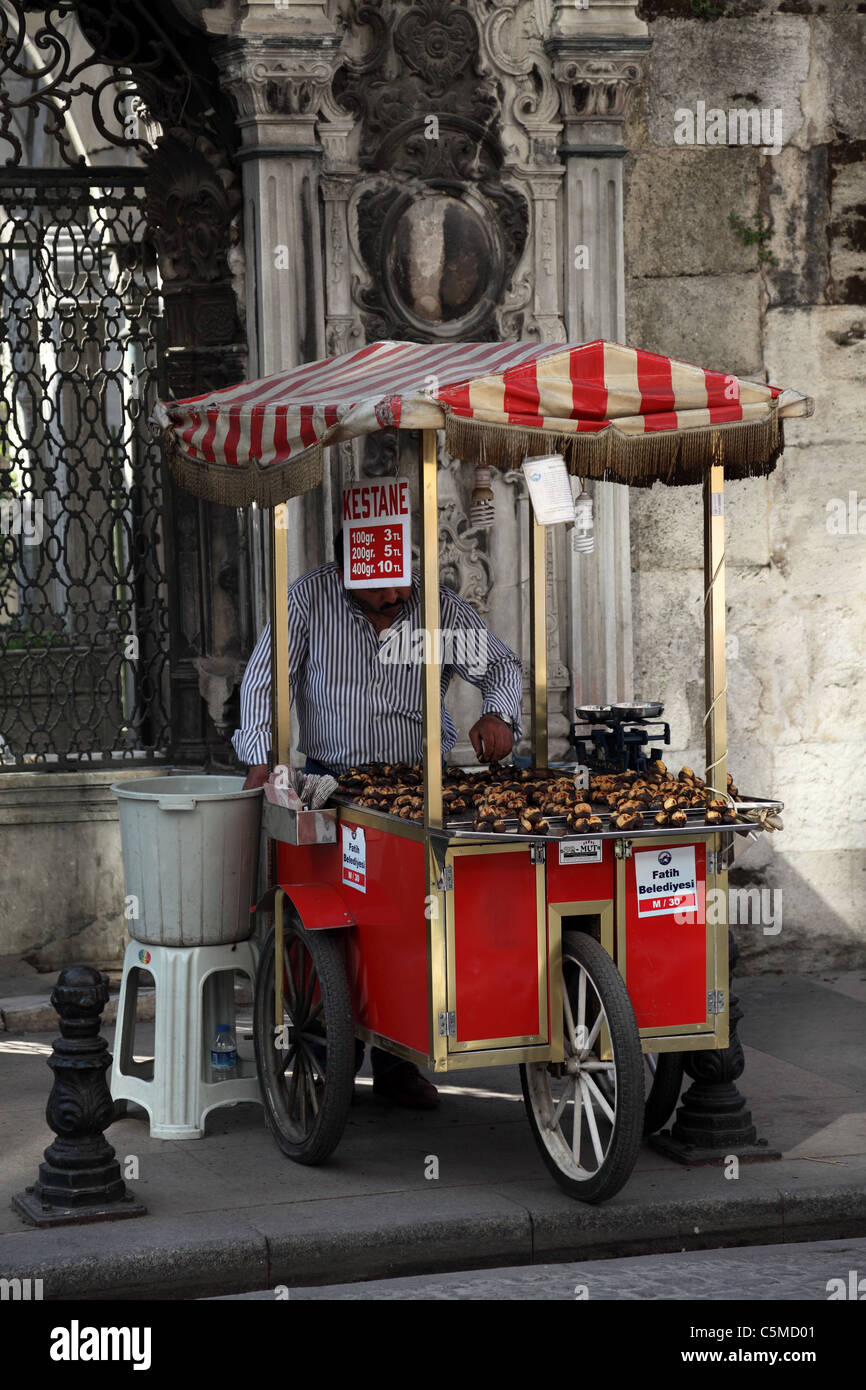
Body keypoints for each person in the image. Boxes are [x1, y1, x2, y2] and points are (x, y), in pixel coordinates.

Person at [233, 533, 523, 1109]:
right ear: (345, 571)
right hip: (333, 783)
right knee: (334, 925)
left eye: (399, 588)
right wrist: (261, 758)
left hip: (417, 786)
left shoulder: (439, 611)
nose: (392, 599)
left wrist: (498, 713)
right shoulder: (308, 601)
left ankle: (400, 1061)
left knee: (407, 923)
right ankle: (328, 1048)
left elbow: (502, 665)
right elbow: (266, 681)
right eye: (375, 592)